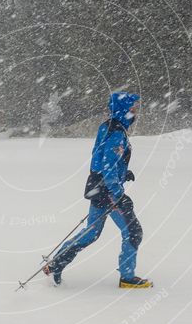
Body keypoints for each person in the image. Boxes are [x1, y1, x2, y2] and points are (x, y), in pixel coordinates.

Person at [44, 92, 152, 288]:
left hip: (99, 186)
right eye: (132, 108)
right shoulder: (117, 132)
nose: (135, 111)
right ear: (123, 110)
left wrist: (123, 173)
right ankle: (127, 277)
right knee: (133, 232)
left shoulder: (108, 126)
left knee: (91, 233)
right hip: (109, 190)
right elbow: (107, 164)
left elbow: (101, 157)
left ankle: (57, 263)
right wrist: (118, 194)